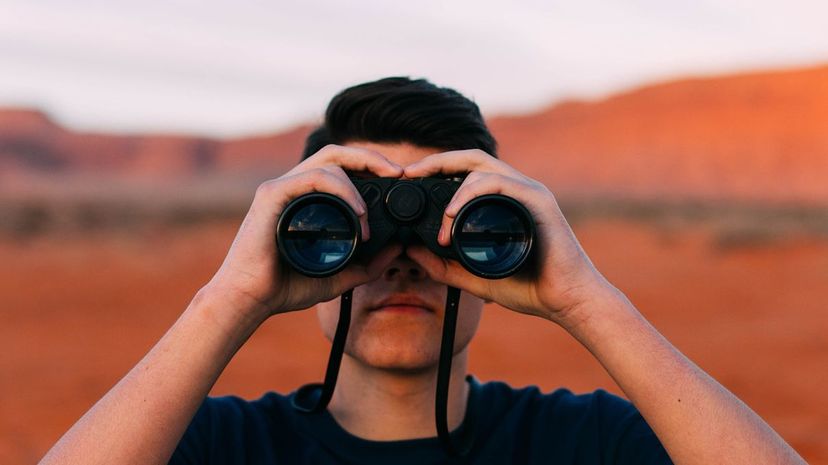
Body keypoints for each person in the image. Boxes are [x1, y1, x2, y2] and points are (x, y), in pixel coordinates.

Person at [40, 77, 806, 465]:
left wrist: (587, 298)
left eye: (449, 228)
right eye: (352, 226)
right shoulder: (223, 444)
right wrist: (229, 296)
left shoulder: (584, 441)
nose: (402, 258)